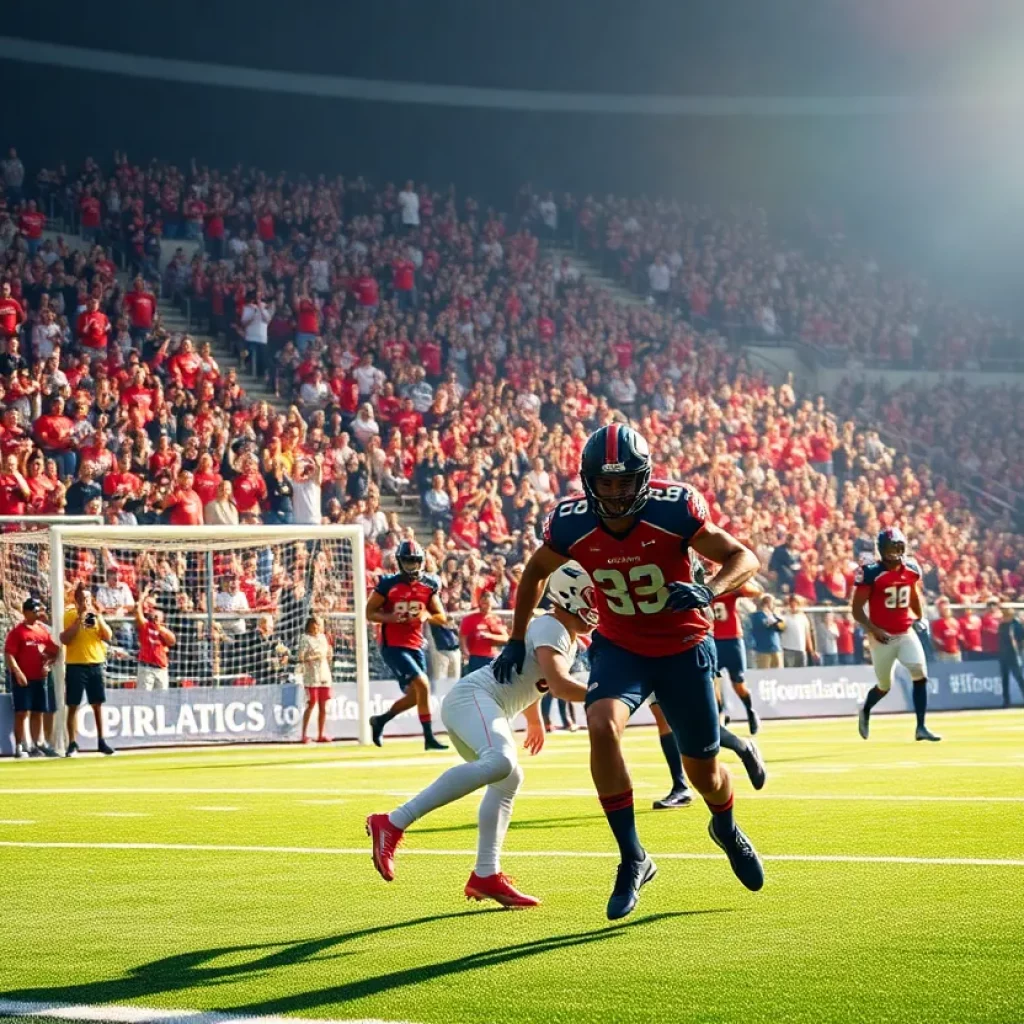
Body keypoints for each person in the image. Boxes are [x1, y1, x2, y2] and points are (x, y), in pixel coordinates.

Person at [494, 424, 764, 920]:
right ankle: (632, 856)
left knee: (703, 774)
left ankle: (724, 827)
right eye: (606, 482)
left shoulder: (674, 508)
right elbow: (533, 572)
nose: (615, 492)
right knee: (600, 724)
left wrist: (710, 590)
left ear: (643, 478)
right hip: (620, 647)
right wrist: (516, 637)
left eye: (624, 482)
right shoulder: (570, 523)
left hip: (683, 647)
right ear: (589, 480)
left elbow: (742, 556)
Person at [366, 563, 593, 908]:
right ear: (570, 595)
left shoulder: (562, 633)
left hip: (482, 705)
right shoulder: (553, 625)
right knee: (501, 762)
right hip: (474, 698)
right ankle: (393, 822)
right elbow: (559, 684)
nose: (599, 604)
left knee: (508, 777)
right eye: (593, 596)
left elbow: (533, 679)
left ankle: (486, 874)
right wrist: (610, 694)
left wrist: (533, 718)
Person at [852, 528, 940, 743]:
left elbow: (913, 594)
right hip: (882, 636)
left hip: (905, 631)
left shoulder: (911, 568)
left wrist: (920, 618)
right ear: (881, 550)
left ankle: (921, 727)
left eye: (898, 547)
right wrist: (874, 630)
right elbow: (856, 610)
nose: (895, 552)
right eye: (891, 548)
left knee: (920, 673)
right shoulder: (871, 572)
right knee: (884, 685)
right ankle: (865, 709)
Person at [366, 539, 449, 751]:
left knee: (416, 695)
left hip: (415, 644)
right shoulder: (387, 584)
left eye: (415, 561)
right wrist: (391, 618)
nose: (411, 566)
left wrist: (426, 615)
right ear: (400, 562)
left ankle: (380, 720)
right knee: (422, 685)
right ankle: (429, 738)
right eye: (408, 561)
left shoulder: (429, 585)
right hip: (393, 644)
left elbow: (442, 617)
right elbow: (370, 612)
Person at [59, 582, 116, 756]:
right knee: (73, 704)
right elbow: (66, 639)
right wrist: (79, 618)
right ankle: (72, 743)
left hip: (95, 663)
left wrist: (97, 616)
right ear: (76, 601)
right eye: (83, 599)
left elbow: (107, 636)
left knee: (97, 704)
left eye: (88, 598)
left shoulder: (93, 616)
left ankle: (101, 741)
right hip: (76, 664)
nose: (87, 602)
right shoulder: (69, 615)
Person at [4, 598, 60, 758]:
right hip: (23, 678)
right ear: (26, 612)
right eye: (34, 611)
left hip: (39, 679)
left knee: (38, 712)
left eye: (38, 611)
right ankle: (19, 745)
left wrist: (47, 665)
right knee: (21, 712)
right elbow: (9, 654)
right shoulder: (17, 632)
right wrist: (17, 671)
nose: (37, 614)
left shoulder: (42, 631)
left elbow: (53, 651)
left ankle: (37, 745)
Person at [712, 581, 762, 733]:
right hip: (713, 640)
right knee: (711, 682)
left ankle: (750, 711)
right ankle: (720, 716)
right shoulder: (704, 590)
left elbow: (756, 592)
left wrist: (738, 584)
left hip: (732, 639)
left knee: (738, 683)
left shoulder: (729, 588)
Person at [298, 615, 333, 744]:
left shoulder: (323, 638)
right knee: (311, 703)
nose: (317, 627)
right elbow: (301, 657)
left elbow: (327, 655)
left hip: (324, 674)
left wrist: (328, 655)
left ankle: (321, 734)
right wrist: (313, 657)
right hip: (311, 675)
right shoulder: (305, 639)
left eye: (319, 624)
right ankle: (304, 734)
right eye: (315, 624)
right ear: (310, 625)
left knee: (323, 706)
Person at [134, 586, 176, 691]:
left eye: (157, 616)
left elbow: (172, 641)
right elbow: (137, 611)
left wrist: (160, 628)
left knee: (162, 700)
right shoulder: (145, 626)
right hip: (146, 668)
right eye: (153, 615)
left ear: (162, 619)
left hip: (161, 669)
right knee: (144, 698)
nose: (154, 617)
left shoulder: (163, 630)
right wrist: (143, 596)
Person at [458, 590, 508, 673]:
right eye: (483, 602)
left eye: (488, 602)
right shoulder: (469, 619)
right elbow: (462, 637)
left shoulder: (496, 619)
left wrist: (490, 636)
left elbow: (505, 638)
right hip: (476, 657)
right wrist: (466, 653)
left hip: (492, 657)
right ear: (479, 602)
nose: (485, 605)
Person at [996, 605, 1024, 708]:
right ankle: (1006, 701)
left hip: (1014, 655)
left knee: (1019, 677)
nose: (1005, 617)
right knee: (1004, 679)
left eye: (1007, 615)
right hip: (1003, 655)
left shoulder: (1017, 625)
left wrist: (1019, 651)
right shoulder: (1002, 625)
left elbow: (1021, 639)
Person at [750, 594, 785, 669]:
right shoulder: (757, 616)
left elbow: (782, 627)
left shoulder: (773, 615)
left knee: (779, 673)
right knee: (764, 674)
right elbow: (770, 624)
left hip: (775, 648)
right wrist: (774, 619)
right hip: (763, 650)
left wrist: (777, 617)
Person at [781, 594, 816, 668]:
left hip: (801, 650)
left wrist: (812, 650)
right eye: (792, 605)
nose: (794, 607)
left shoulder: (803, 618)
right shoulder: (784, 617)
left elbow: (807, 635)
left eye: (796, 604)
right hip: (788, 650)